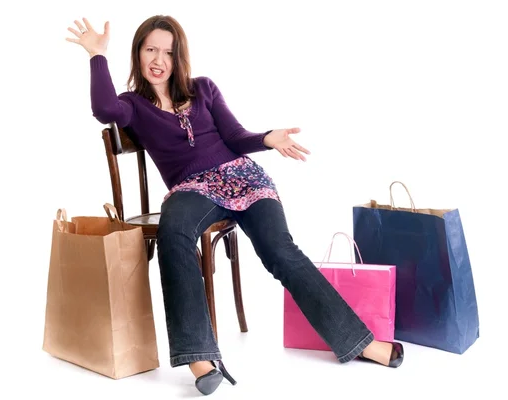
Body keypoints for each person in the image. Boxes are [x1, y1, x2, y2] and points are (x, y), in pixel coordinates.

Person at [66, 15, 404, 396]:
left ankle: (361, 343)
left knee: (281, 251)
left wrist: (267, 138)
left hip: (244, 178)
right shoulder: (132, 105)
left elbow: (235, 136)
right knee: (173, 233)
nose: (159, 60)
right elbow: (105, 111)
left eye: (168, 52)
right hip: (192, 189)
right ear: (138, 52)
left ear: (180, 58)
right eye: (151, 50)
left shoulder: (203, 88)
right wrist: (96, 56)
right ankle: (199, 357)